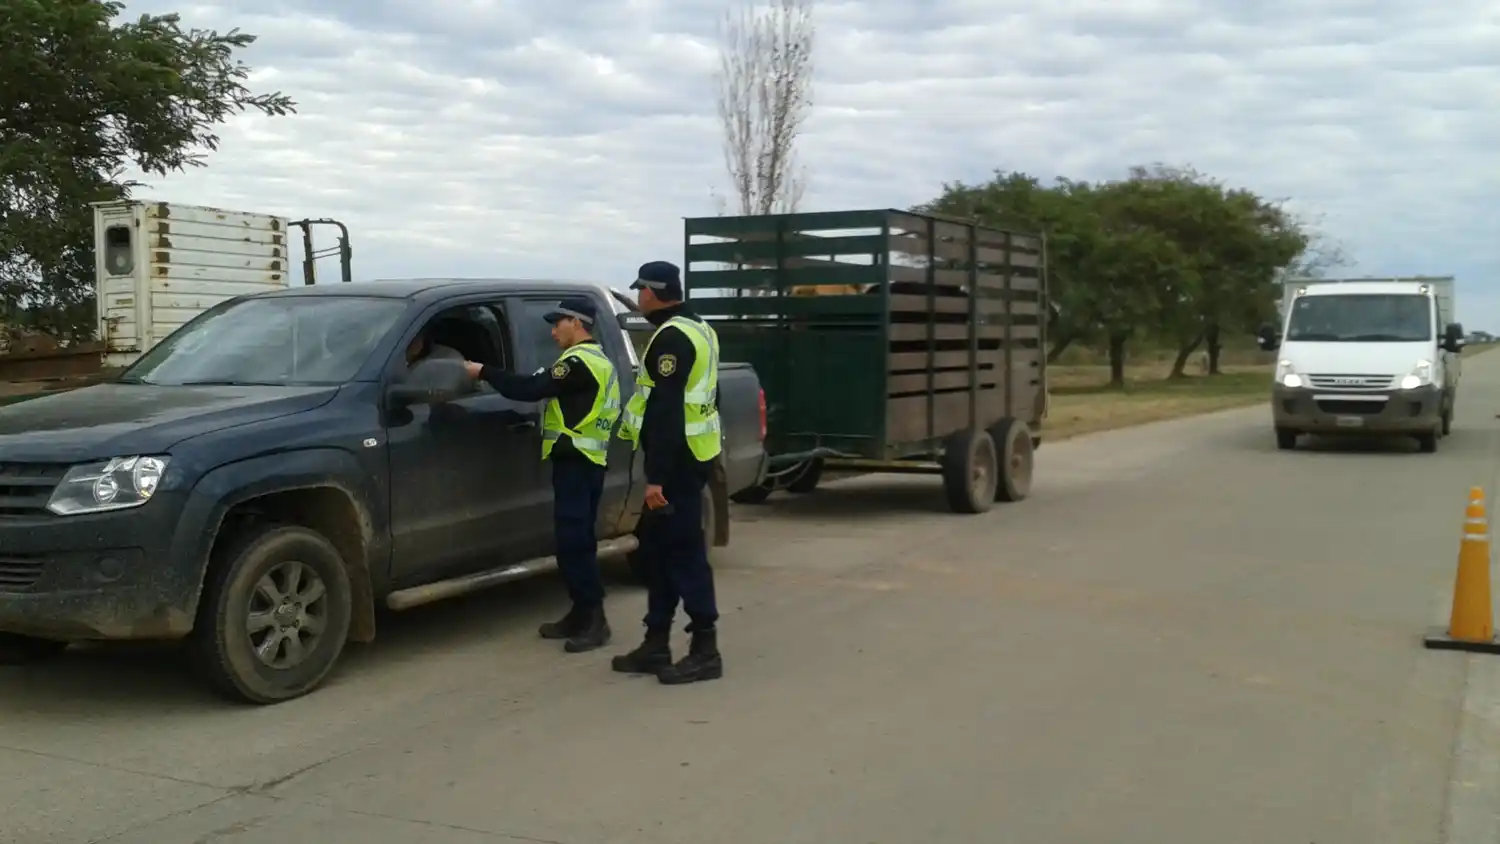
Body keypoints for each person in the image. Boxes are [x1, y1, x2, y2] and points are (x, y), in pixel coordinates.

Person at [460, 298, 621, 653]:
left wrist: (482, 371)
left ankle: (595, 620)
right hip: (585, 461)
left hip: (578, 462)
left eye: (557, 324)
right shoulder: (594, 360)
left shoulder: (579, 362)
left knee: (574, 544)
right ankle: (580, 613)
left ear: (576, 323)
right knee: (576, 542)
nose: (551, 331)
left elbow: (529, 390)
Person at [611, 260, 724, 685]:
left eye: (642, 289)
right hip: (693, 454)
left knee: (684, 553)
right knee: (656, 551)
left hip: (676, 463)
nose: (638, 296)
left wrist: (656, 476)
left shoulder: (671, 339)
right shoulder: (700, 328)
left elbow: (667, 411)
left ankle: (705, 649)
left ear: (654, 292)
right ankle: (656, 642)